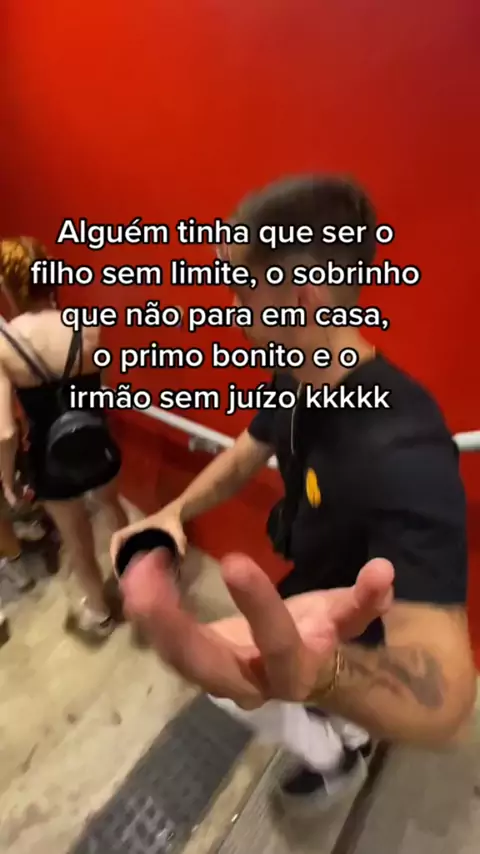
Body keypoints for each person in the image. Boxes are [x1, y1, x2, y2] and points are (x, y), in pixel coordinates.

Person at [111, 176, 476, 806]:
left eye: (242, 284)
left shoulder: (402, 444)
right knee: (288, 691)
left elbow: (445, 698)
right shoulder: (300, 372)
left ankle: (335, 759)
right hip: (309, 587)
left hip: (356, 629)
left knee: (235, 689)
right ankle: (348, 734)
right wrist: (173, 512)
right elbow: (248, 450)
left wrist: (322, 672)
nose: (231, 304)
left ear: (301, 294)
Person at [0, 237, 129, 641]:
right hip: (96, 439)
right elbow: (106, 389)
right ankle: (134, 578)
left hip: (49, 456)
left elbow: (5, 431)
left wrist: (8, 481)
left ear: (8, 286)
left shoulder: (5, 344)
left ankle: (99, 610)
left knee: (75, 534)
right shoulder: (88, 326)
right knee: (112, 507)